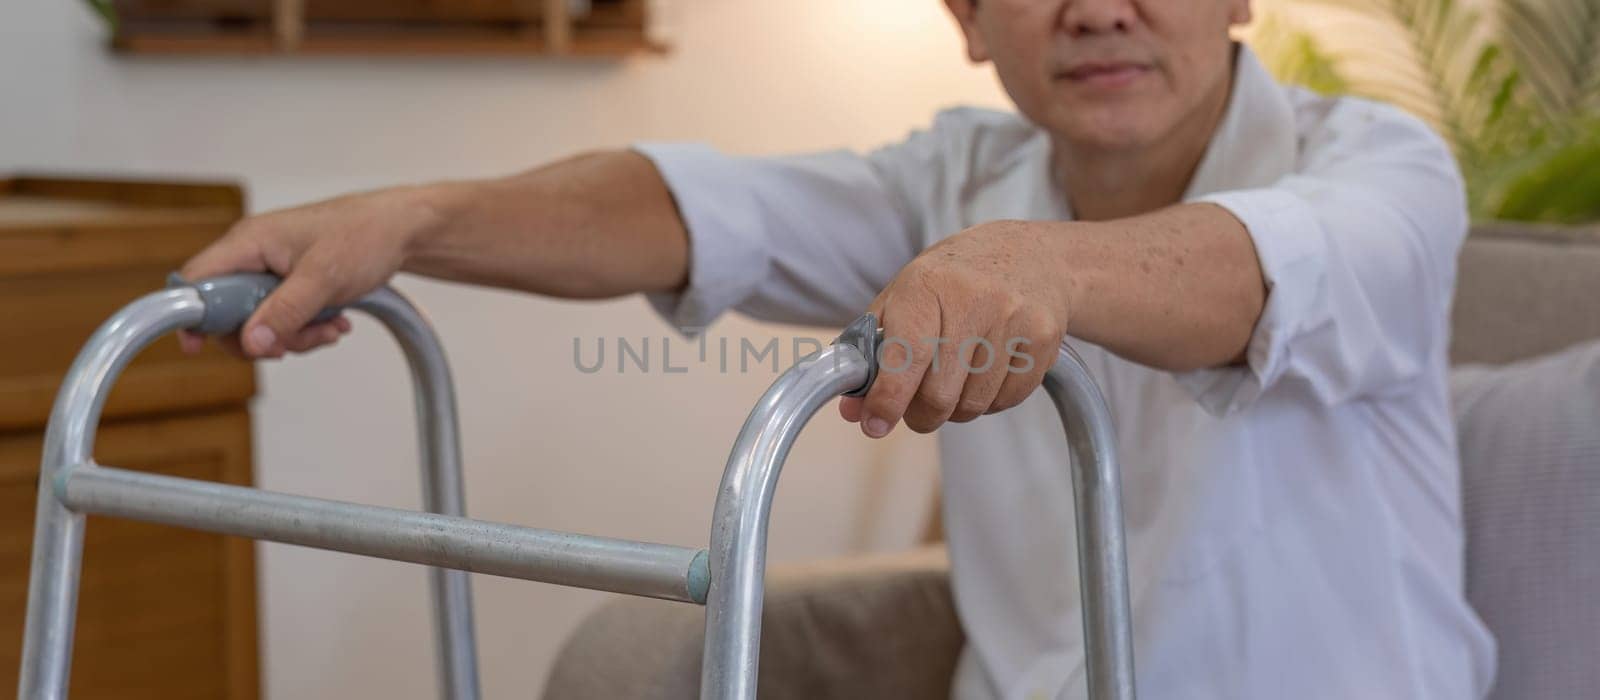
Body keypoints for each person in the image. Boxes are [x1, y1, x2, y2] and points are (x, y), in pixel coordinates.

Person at [179, 0, 1497, 697]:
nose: (1099, 8)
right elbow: (696, 210)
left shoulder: (1385, 167)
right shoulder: (955, 179)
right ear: (969, 19)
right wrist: (411, 218)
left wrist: (1037, 271)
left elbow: (1265, 273)